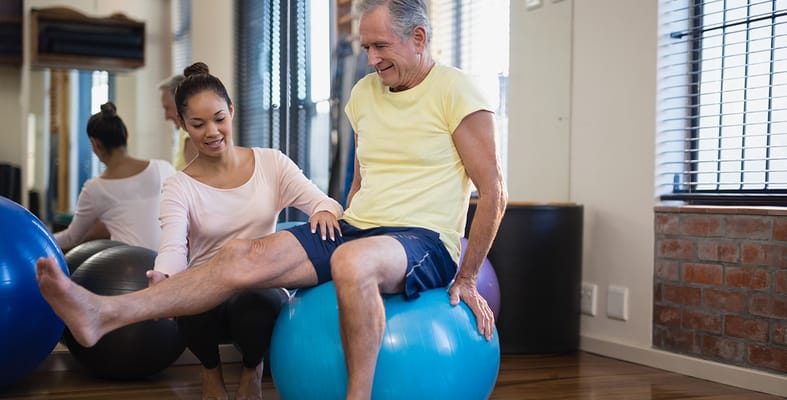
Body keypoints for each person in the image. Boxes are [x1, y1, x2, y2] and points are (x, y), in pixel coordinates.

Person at [36, 1, 507, 399]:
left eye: (380, 47)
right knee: (241, 254)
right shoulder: (365, 93)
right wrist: (338, 217)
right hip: (359, 226)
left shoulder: (456, 90)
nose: (369, 59)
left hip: (422, 238)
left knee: (351, 264)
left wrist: (467, 275)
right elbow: (362, 181)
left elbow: (494, 192)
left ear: (419, 37)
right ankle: (103, 314)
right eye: (366, 47)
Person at [150, 62, 343, 400]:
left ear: (232, 111)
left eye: (219, 119)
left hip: (259, 286)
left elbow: (323, 203)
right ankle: (210, 370)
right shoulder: (178, 185)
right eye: (198, 124)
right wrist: (164, 277)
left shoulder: (272, 163)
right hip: (208, 288)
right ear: (182, 125)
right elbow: (173, 246)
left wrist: (327, 211)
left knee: (255, 308)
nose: (212, 132)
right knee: (192, 306)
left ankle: (252, 370)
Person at [53, 102, 176, 253]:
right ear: (126, 135)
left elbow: (72, 238)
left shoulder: (95, 188)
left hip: (130, 270)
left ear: (95, 144)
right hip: (172, 264)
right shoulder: (164, 168)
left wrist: (40, 236)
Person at [159, 74, 197, 170]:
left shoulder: (189, 131)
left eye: (167, 108)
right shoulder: (187, 130)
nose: (166, 117)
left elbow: (198, 181)